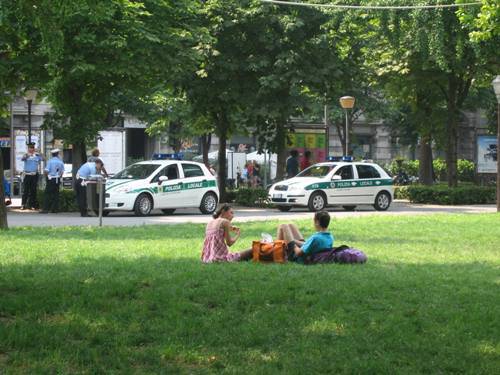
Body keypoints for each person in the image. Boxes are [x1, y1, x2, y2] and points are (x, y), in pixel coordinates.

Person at [40, 149, 65, 213]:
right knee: (56, 194)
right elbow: (62, 172)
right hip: (57, 179)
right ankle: (55, 209)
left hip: (51, 179)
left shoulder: (50, 161)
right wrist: (59, 177)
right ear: (58, 154)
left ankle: (45, 209)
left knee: (47, 194)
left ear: (52, 154)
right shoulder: (60, 161)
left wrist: (47, 177)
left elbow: (46, 171)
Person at [21, 142, 44, 210]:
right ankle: (23, 204)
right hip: (27, 175)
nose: (31, 149)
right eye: (30, 148)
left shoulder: (37, 155)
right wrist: (28, 155)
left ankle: (32, 205)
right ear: (28, 149)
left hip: (34, 175)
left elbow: (43, 159)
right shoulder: (26, 155)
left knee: (33, 190)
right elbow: (23, 158)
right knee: (26, 190)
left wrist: (39, 153)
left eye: (32, 148)